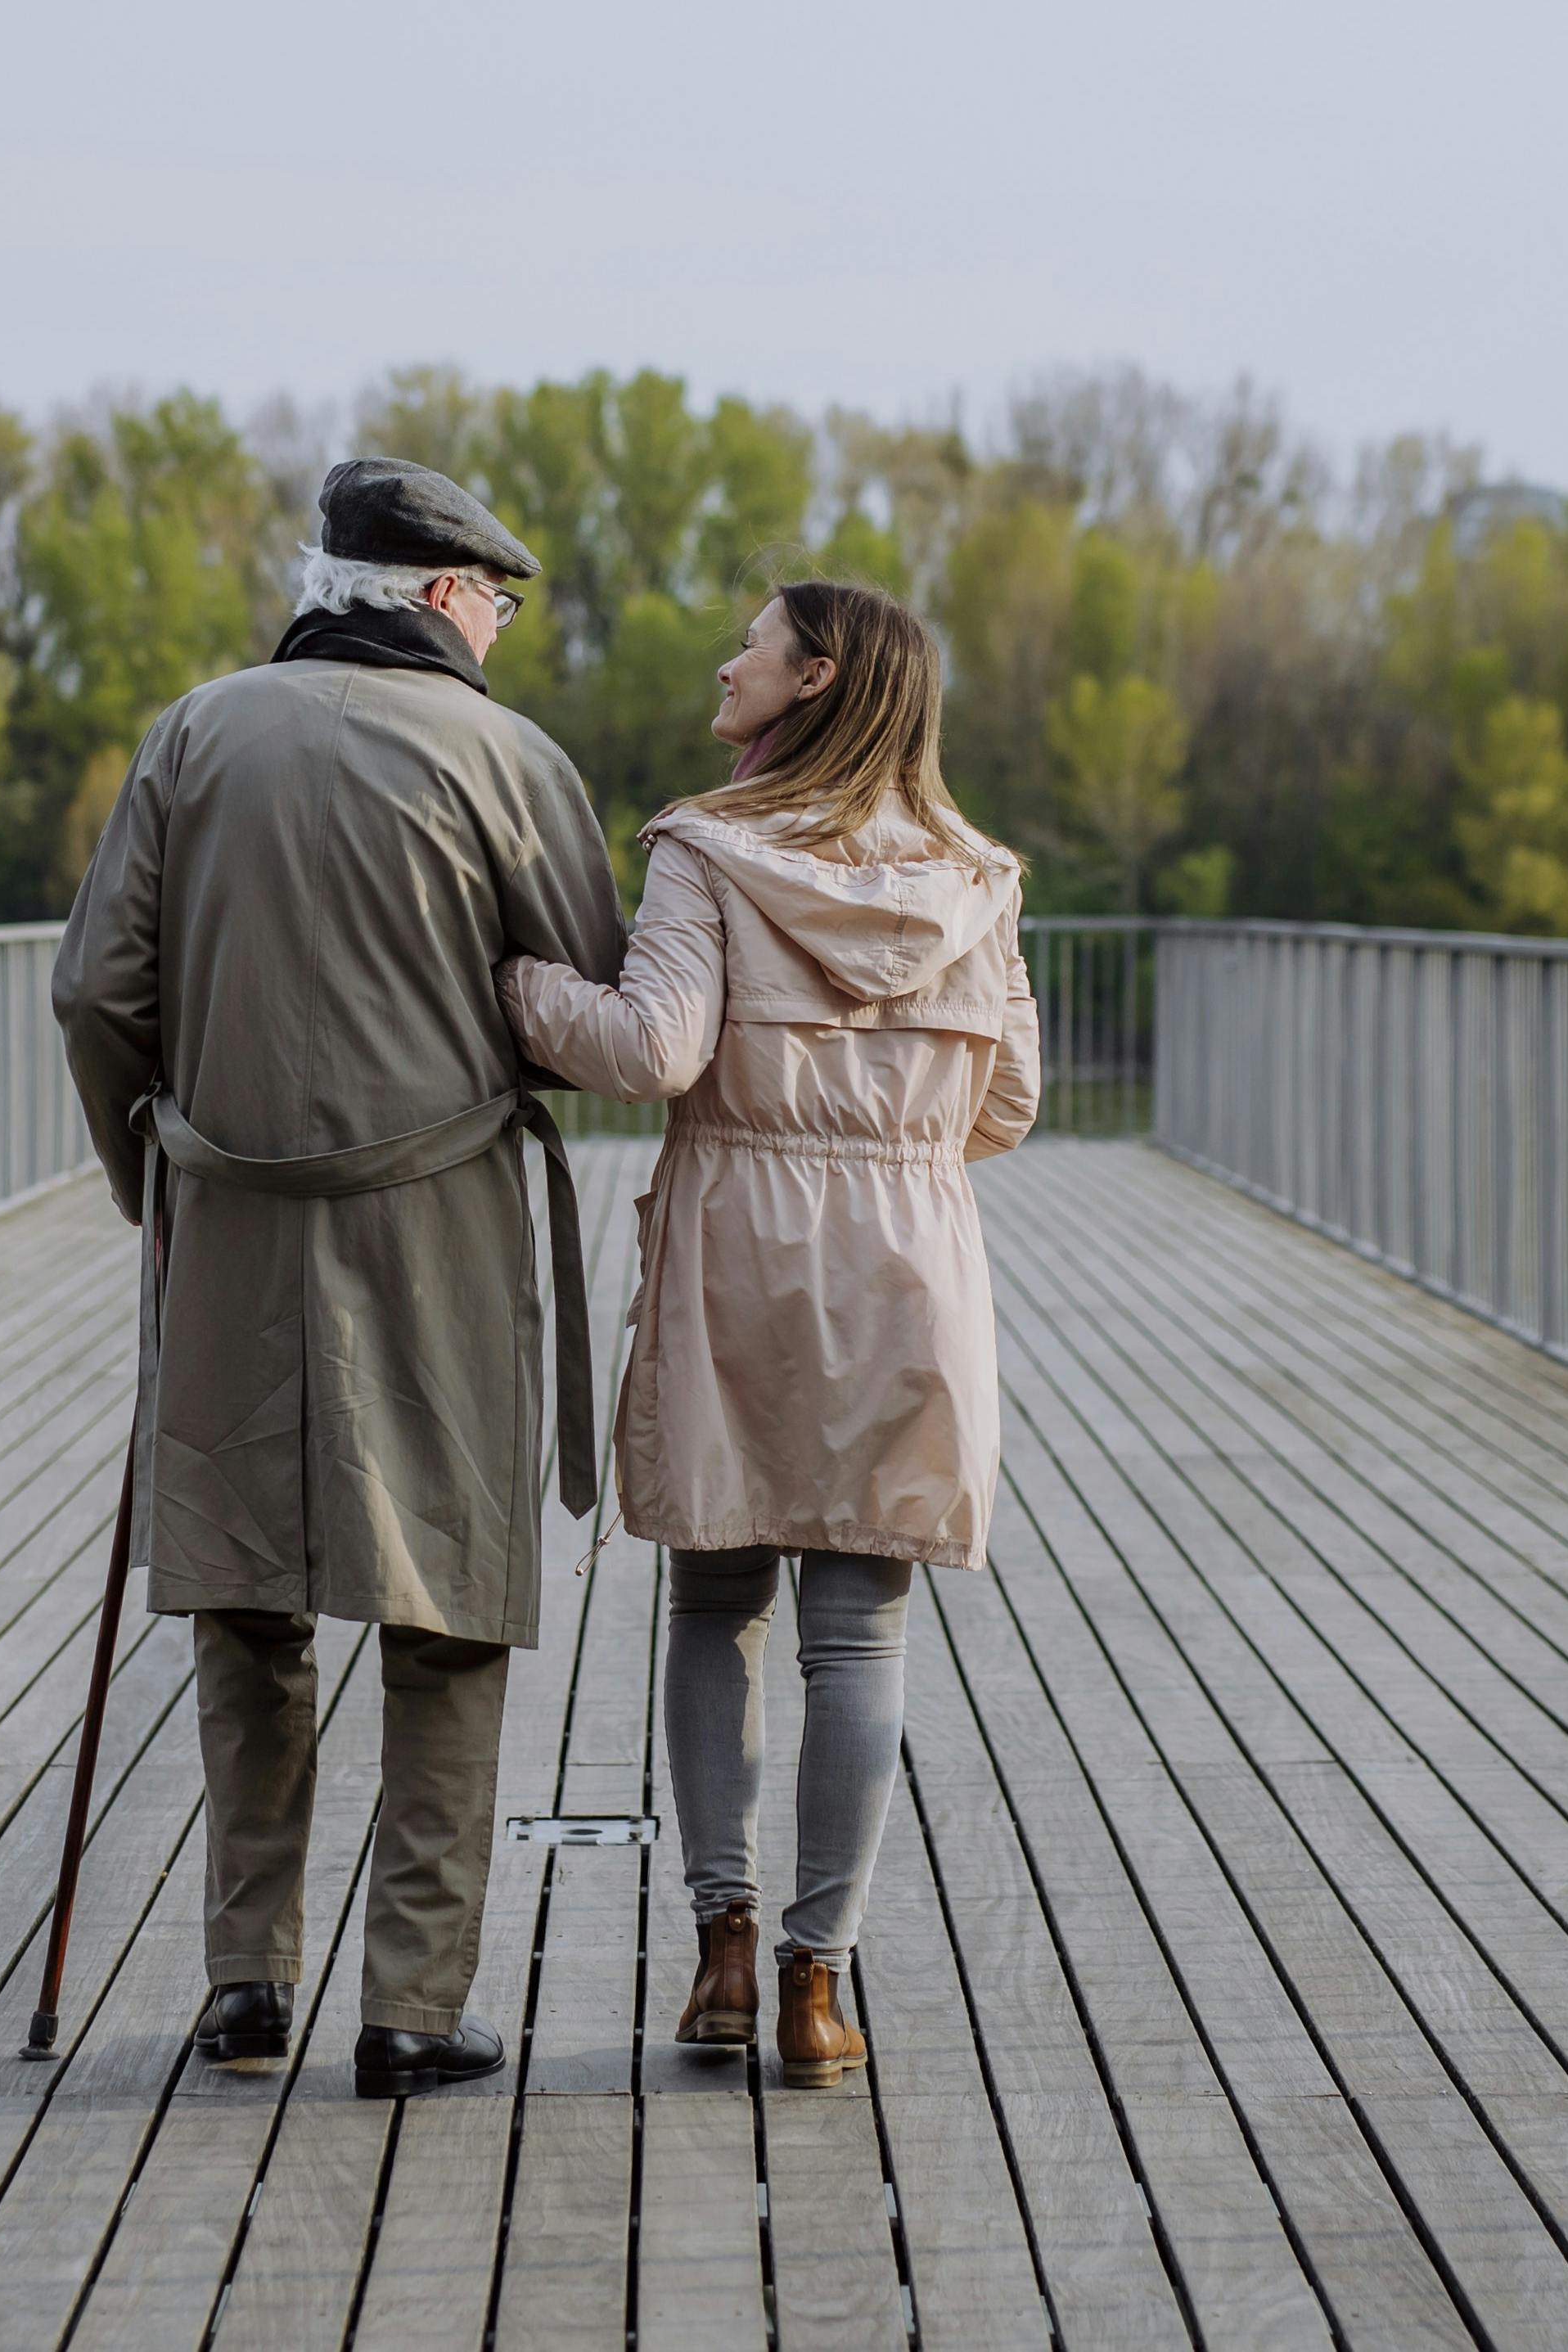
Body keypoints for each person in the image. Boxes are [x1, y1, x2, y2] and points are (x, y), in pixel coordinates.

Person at [52, 459, 624, 2100]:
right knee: (443, 1602)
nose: (501, 633)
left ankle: (245, 1984)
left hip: (225, 1211)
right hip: (431, 1218)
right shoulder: (509, 760)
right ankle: (410, 2006)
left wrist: (148, 1176)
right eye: (497, 606)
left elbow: (94, 993)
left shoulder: (192, 733)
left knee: (243, 1593)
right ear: (444, 596)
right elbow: (579, 1010)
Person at [497, 580, 1038, 2090]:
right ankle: (817, 1984)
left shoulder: (705, 850)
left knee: (711, 1607)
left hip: (737, 1249)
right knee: (858, 1632)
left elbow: (651, 1046)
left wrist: (513, 980)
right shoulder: (979, 879)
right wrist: (889, 1154)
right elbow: (1007, 1104)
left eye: (749, 640)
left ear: (811, 677)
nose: (723, 661)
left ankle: (721, 1943)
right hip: (908, 1267)